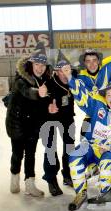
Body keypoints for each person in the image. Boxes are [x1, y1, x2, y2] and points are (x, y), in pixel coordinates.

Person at [62, 64, 111, 211]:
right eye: (108, 95)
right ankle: (81, 192)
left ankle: (106, 191)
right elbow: (82, 96)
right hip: (92, 145)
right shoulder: (97, 106)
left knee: (106, 161)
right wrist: (70, 77)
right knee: (75, 155)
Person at [5, 42, 50, 196]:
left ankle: (30, 184)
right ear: (31, 64)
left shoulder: (44, 79)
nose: (40, 67)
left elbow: (42, 104)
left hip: (33, 125)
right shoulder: (21, 80)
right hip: (17, 124)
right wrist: (39, 93)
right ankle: (14, 178)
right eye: (37, 64)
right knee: (17, 153)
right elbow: (28, 92)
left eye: (43, 64)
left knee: (30, 154)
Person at [41, 50, 76, 196]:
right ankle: (51, 179)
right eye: (62, 71)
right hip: (49, 119)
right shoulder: (48, 83)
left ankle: (67, 175)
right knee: (50, 148)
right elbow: (39, 99)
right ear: (56, 71)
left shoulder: (73, 80)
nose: (65, 74)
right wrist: (47, 105)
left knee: (69, 147)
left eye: (68, 70)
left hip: (67, 118)